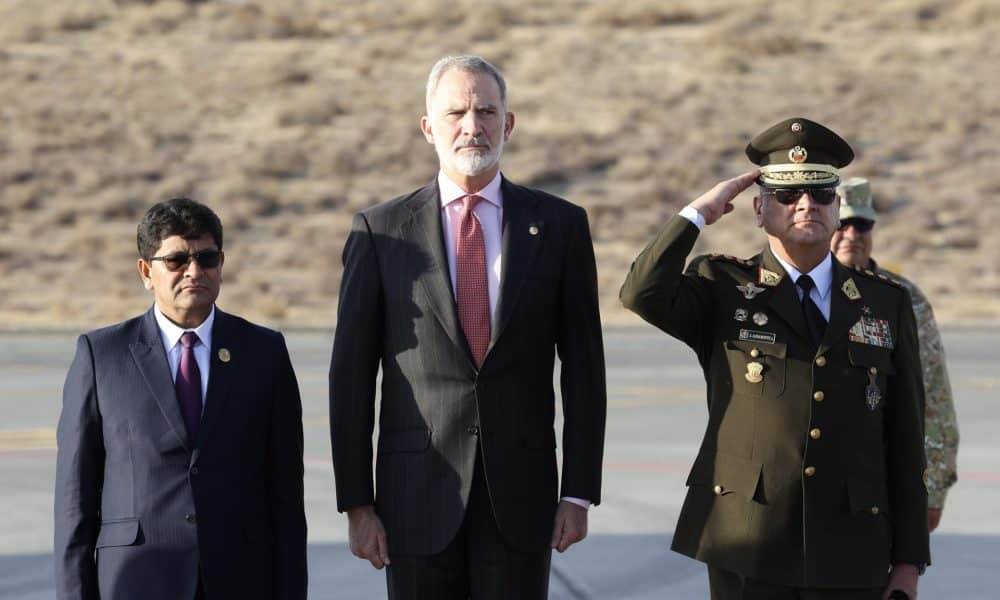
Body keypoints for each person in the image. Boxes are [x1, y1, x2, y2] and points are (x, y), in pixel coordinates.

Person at [329, 55, 606, 599]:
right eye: (456, 112)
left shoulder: (559, 226)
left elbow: (584, 368)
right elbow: (351, 378)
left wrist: (578, 493)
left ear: (509, 123)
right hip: (413, 504)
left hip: (522, 504)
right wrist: (357, 504)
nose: (471, 126)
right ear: (429, 127)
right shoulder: (382, 232)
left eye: (486, 111)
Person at [620, 118, 930, 599]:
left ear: (837, 207)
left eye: (822, 194)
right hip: (748, 539)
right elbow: (642, 292)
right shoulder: (722, 288)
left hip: (852, 546)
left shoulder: (883, 303)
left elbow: (906, 437)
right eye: (788, 195)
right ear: (759, 209)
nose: (807, 204)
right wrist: (698, 213)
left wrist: (909, 560)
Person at [54, 198, 307, 600]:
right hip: (136, 581)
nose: (193, 272)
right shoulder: (102, 356)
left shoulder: (264, 352)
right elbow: (75, 502)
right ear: (145, 272)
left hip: (240, 579)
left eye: (206, 258)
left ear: (221, 264)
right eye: (175, 261)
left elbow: (287, 498)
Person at [832, 176, 959, 533]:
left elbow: (934, 396)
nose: (853, 234)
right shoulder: (796, 292)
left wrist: (932, 490)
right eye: (842, 223)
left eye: (863, 224)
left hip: (878, 485)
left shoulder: (902, 298)